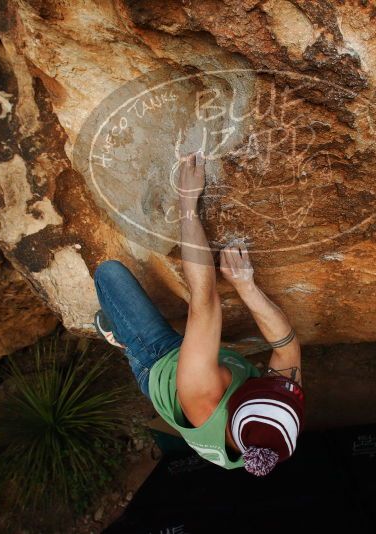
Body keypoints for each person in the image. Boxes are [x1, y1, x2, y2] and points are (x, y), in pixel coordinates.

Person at [93, 151, 304, 476]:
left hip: (159, 360)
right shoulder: (274, 422)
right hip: (203, 366)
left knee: (109, 274)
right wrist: (247, 287)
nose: (269, 377)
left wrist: (187, 204)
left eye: (256, 384)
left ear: (233, 410)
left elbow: (204, 301)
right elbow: (287, 347)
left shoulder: (206, 399)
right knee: (203, 341)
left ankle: (122, 341)